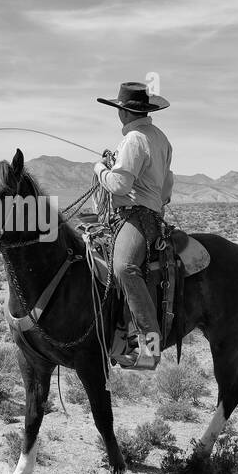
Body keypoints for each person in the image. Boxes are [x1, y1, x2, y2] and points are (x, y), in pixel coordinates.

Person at [92, 82, 175, 370]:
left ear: (124, 112)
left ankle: (149, 346)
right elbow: (167, 188)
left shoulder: (134, 140)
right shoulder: (161, 139)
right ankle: (117, 335)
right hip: (152, 214)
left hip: (136, 216)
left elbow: (120, 183)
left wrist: (100, 169)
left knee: (123, 267)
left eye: (119, 109)